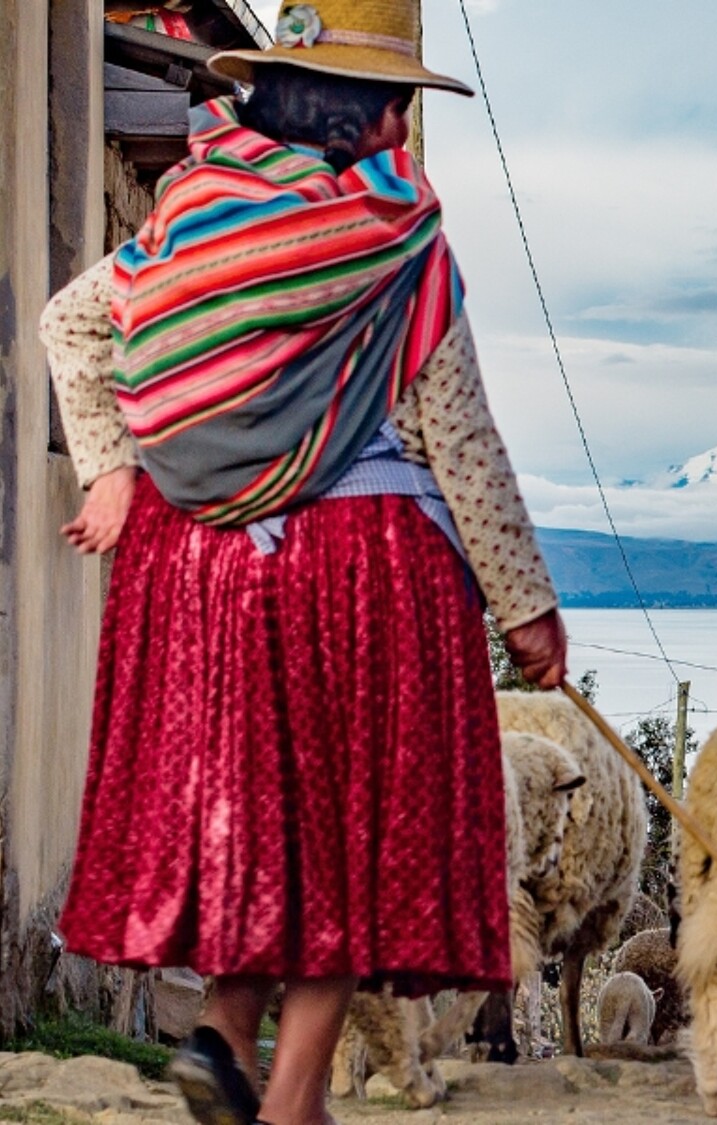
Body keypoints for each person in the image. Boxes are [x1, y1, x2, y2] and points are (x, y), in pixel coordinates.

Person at [38, 3, 564, 1122]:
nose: (401, 123)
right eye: (398, 100)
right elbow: (458, 438)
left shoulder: (190, 213)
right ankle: (289, 1102)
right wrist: (527, 610)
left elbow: (71, 327)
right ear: (373, 111)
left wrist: (111, 468)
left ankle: (228, 1036)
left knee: (259, 822)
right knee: (344, 842)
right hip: (358, 566)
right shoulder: (397, 240)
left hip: (197, 574)